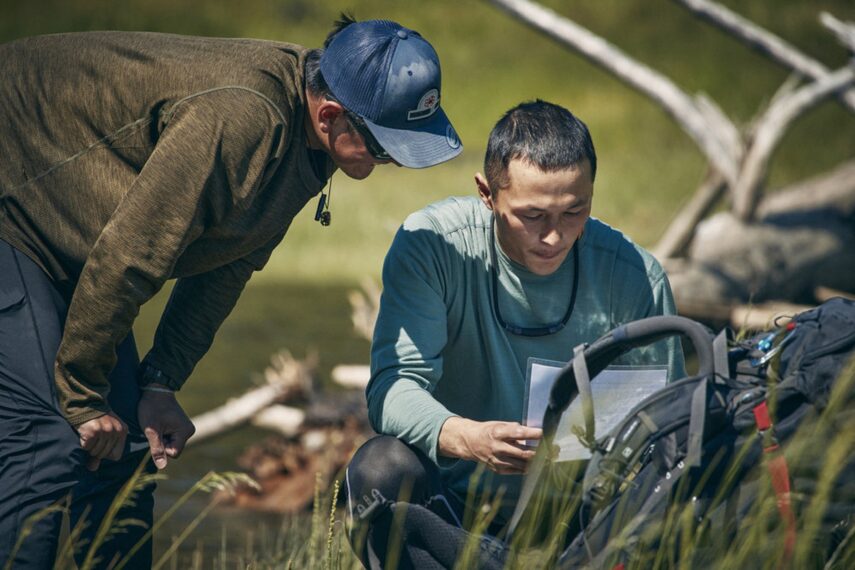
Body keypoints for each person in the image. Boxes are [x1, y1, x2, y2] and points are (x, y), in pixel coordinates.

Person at [0, 15, 462, 568]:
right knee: (51, 448)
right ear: (330, 115)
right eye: (384, 149)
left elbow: (227, 266)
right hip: (17, 207)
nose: (389, 165)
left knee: (126, 457)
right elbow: (134, 254)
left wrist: (160, 381)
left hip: (71, 239)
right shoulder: (244, 117)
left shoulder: (307, 144)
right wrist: (78, 396)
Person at [345, 100, 685, 568]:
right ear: (487, 194)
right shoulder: (433, 246)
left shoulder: (636, 277)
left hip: (582, 511)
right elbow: (392, 388)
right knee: (379, 467)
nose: (555, 237)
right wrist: (465, 436)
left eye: (574, 212)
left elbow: (670, 429)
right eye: (533, 216)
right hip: (455, 504)